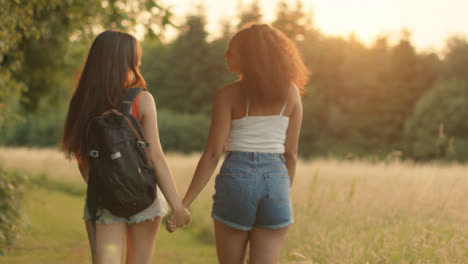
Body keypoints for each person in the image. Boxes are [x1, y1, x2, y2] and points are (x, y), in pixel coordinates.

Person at [168, 24, 310, 264]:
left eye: (231, 52)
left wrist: (183, 205)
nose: (225, 56)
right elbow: (291, 155)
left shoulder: (228, 95)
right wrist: (281, 193)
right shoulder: (292, 94)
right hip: (276, 180)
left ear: (250, 57)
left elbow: (212, 154)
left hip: (237, 179)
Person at [61, 30, 190, 264]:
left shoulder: (83, 103)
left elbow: (82, 160)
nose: (139, 62)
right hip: (145, 199)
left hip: (104, 202)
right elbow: (156, 157)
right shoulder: (142, 100)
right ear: (127, 61)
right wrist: (177, 205)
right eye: (136, 57)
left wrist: (109, 190)